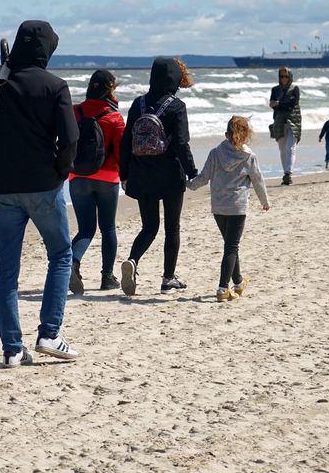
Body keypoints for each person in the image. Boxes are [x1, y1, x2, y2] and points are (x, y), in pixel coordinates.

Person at [0, 20, 80, 367]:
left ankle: (12, 349)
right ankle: (49, 333)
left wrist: (1, 159)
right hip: (43, 185)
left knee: (7, 269)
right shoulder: (55, 86)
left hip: (2, 187)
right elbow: (71, 138)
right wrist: (60, 170)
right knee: (61, 255)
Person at [118, 56, 198, 297]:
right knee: (172, 227)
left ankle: (133, 261)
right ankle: (168, 279)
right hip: (170, 175)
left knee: (149, 226)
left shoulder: (137, 103)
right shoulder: (176, 106)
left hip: (142, 174)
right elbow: (181, 144)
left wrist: (124, 173)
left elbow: (126, 141)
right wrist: (193, 172)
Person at [187, 116, 270, 301]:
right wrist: (264, 201)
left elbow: (203, 177)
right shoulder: (249, 156)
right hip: (237, 207)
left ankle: (239, 282)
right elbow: (258, 180)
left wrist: (188, 184)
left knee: (230, 246)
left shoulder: (215, 153)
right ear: (247, 136)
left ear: (226, 134)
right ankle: (223, 287)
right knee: (231, 247)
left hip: (218, 207)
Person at [68, 70, 126, 294]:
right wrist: (125, 176)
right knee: (108, 227)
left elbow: (65, 142)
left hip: (77, 176)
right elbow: (121, 153)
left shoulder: (75, 112)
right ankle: (107, 277)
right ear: (109, 89)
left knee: (85, 229)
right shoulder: (114, 118)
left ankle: (72, 263)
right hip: (107, 178)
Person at [269, 67, 302, 185]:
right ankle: (285, 173)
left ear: (290, 77)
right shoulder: (275, 90)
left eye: (286, 76)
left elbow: (293, 104)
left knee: (291, 147)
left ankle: (289, 173)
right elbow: (272, 104)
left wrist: (279, 104)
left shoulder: (295, 89)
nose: (284, 79)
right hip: (279, 121)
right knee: (282, 149)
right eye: (281, 76)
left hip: (294, 120)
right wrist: (279, 104)